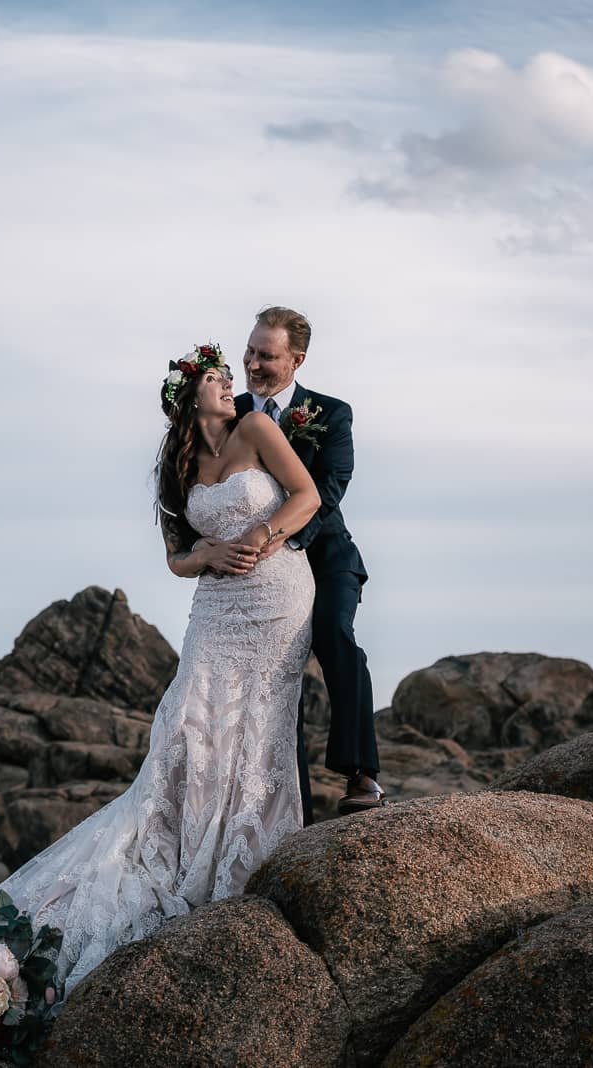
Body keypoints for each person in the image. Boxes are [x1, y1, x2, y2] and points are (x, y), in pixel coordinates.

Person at [0, 343, 319, 996]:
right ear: (188, 395)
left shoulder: (256, 428)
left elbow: (305, 496)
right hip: (215, 605)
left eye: (229, 378)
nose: (231, 387)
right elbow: (176, 557)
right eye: (219, 380)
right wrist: (207, 554)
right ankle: (184, 846)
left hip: (275, 590)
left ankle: (243, 858)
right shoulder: (179, 462)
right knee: (185, 724)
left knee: (260, 725)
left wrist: (259, 537)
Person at [227, 305, 382, 821]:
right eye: (249, 351)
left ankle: (361, 772)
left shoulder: (331, 414)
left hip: (326, 555)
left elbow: (330, 490)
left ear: (297, 360)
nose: (252, 363)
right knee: (275, 671)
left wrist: (280, 540)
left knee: (335, 635)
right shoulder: (230, 416)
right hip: (261, 572)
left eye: (266, 356)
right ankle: (291, 804)